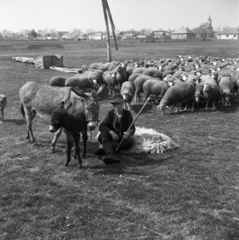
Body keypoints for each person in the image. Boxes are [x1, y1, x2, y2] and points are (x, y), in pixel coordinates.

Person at [95, 93, 135, 164]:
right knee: (103, 135)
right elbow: (101, 126)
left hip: (123, 138)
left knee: (130, 141)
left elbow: (132, 128)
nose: (121, 106)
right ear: (114, 106)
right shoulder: (110, 114)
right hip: (111, 137)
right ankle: (111, 154)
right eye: (119, 104)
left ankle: (106, 150)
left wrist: (128, 134)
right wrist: (111, 132)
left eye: (122, 104)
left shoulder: (127, 114)